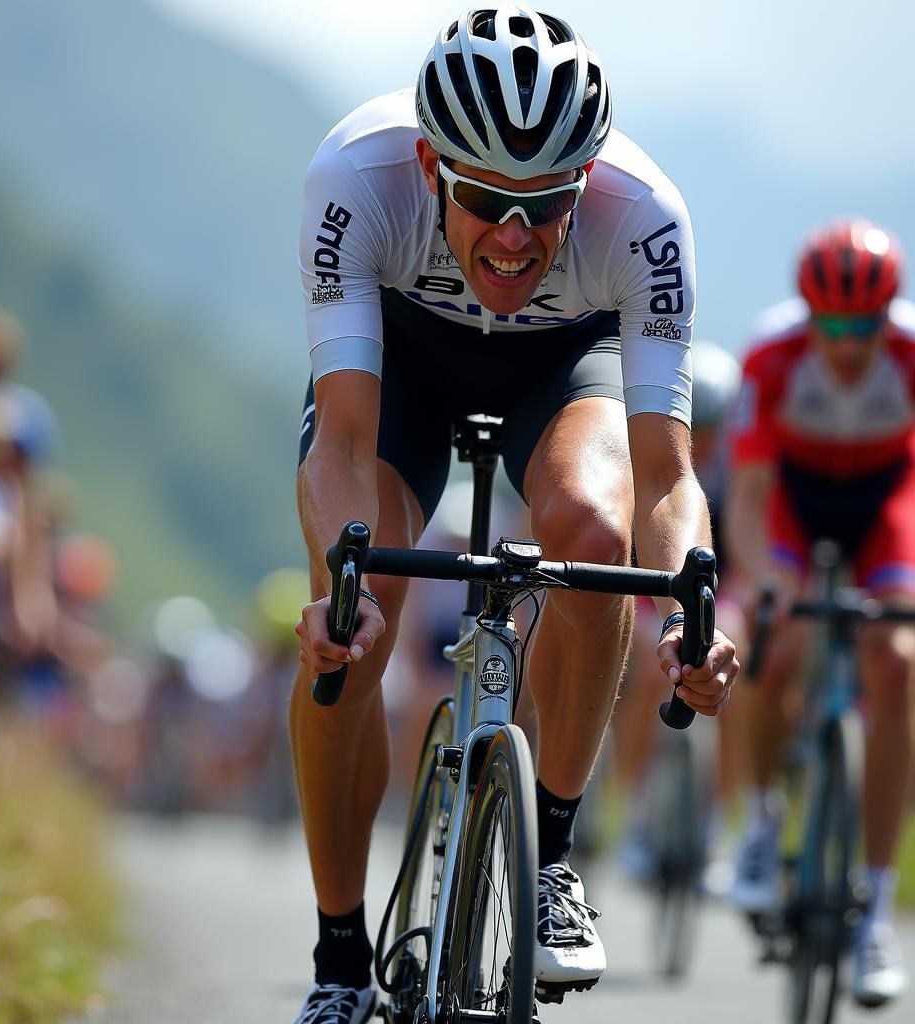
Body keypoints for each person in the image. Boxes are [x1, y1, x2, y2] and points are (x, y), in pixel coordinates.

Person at [292, 8, 739, 1022]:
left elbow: (667, 478)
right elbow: (349, 442)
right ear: (428, 161)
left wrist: (687, 621)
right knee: (360, 612)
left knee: (591, 528)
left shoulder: (647, 216)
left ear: (585, 181)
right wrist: (344, 586)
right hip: (397, 362)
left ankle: (549, 855)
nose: (513, 233)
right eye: (487, 197)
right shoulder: (356, 179)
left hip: (559, 361)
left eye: (545, 207)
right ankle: (337, 953)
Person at [726, 218, 914, 1007]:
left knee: (898, 659)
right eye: (832, 325)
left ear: (887, 314)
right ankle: (766, 825)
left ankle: (874, 910)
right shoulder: (771, 358)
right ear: (808, 315)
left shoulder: (908, 358)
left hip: (884, 502)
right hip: (794, 502)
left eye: (863, 324)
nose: (847, 342)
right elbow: (749, 495)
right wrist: (765, 576)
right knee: (782, 632)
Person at [613, 340, 745, 881]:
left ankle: (714, 824)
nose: (707, 437)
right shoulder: (647, 447)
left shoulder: (741, 463)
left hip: (723, 586)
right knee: (651, 670)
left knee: (734, 663)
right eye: (699, 423)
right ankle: (639, 813)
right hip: (653, 588)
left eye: (717, 424)